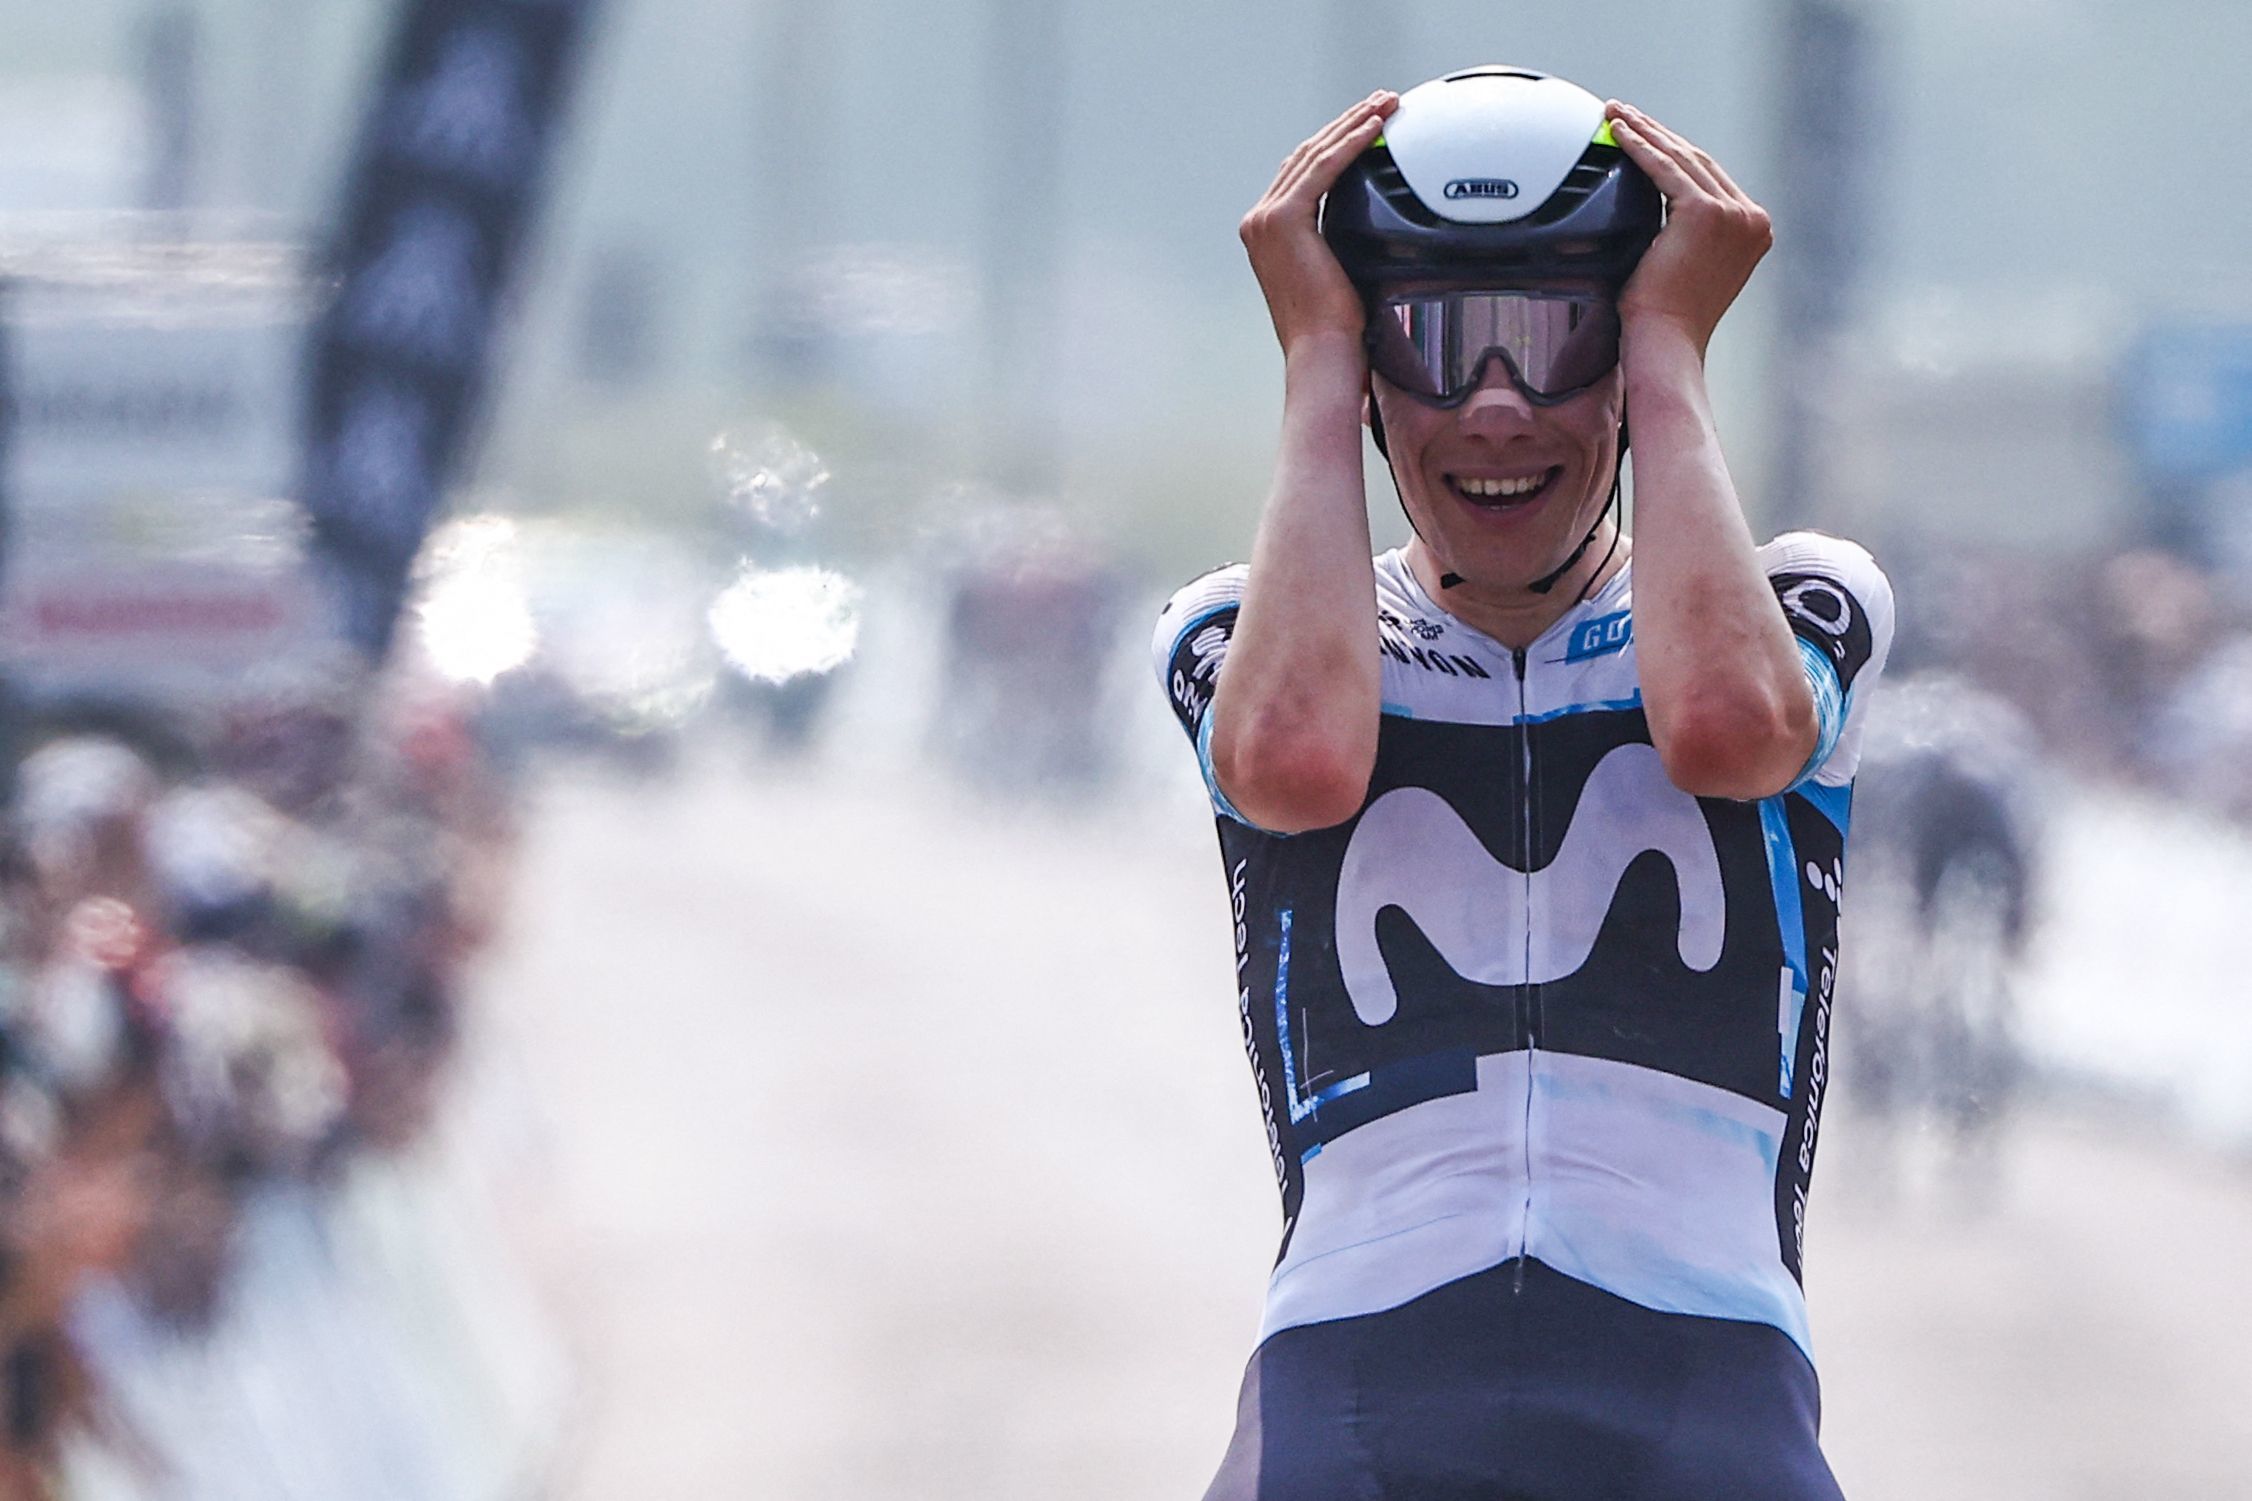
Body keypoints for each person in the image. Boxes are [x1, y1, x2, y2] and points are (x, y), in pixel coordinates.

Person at [1150, 67, 1895, 1499]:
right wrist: (1315, 359)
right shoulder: (1233, 634)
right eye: (1434, 342)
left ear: (1625, 363)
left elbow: (1725, 734)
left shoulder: (1807, 603)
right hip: (1355, 1369)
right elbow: (1298, 766)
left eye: (1555, 338)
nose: (1495, 408)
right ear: (1372, 382)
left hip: (1705, 1372)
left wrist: (1668, 348)